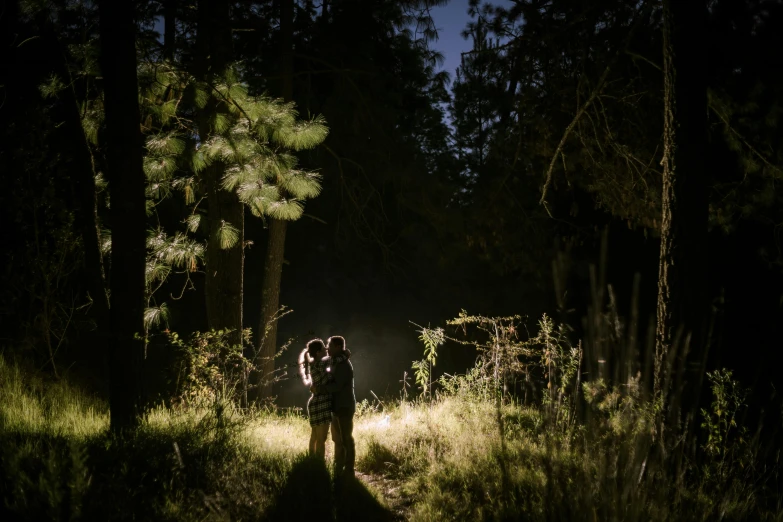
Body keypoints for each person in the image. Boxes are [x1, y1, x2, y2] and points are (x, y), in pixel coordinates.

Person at [311, 335, 355, 477]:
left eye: (329, 346)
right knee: (338, 439)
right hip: (336, 406)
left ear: (337, 347)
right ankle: (338, 466)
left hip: (344, 406)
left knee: (346, 438)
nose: (327, 349)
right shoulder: (336, 361)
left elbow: (338, 385)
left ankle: (348, 468)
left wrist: (320, 389)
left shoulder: (343, 364)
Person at [298, 338, 332, 459]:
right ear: (318, 352)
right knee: (321, 438)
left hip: (315, 403)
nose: (327, 350)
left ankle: (312, 460)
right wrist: (345, 354)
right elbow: (335, 360)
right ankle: (319, 463)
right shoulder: (321, 363)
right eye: (324, 348)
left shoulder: (314, 364)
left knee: (315, 436)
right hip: (322, 403)